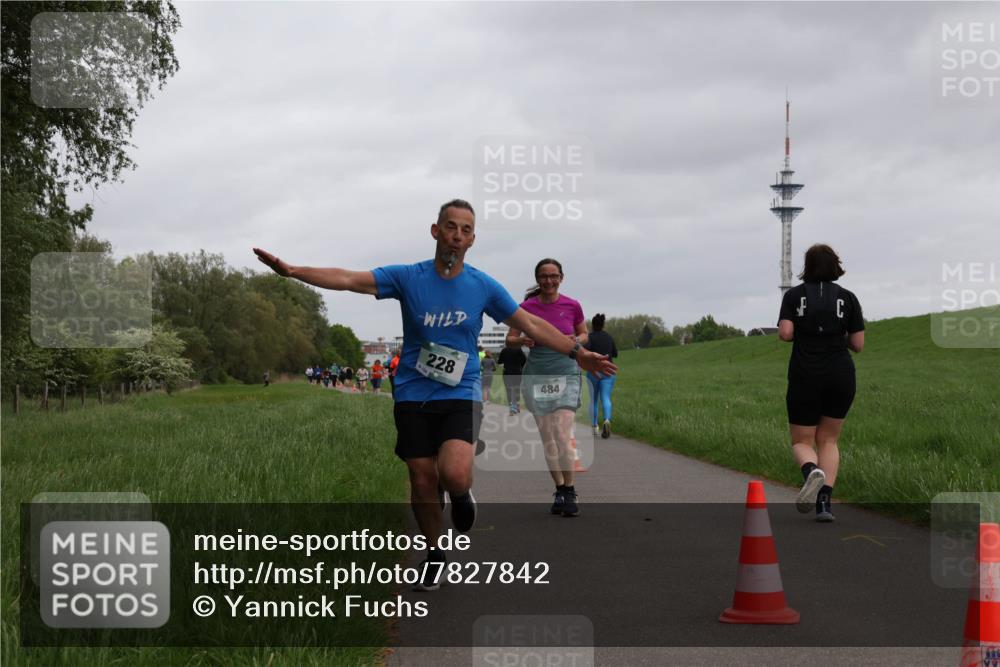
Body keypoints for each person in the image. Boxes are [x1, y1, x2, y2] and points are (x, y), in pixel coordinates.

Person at [253, 199, 615, 590]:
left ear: (472, 239)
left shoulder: (482, 286)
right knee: (422, 478)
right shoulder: (409, 277)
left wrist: (579, 353)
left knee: (454, 473)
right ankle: (434, 552)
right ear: (436, 231)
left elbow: (529, 324)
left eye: (465, 230)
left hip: (460, 389)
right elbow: (348, 279)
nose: (457, 236)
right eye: (450, 227)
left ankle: (461, 495)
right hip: (412, 391)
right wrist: (292, 272)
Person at [778, 244, 865, 523]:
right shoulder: (848, 298)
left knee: (802, 440)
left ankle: (810, 472)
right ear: (834, 265)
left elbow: (785, 333)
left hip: (806, 372)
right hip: (840, 373)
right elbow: (858, 344)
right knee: (828, 439)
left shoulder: (794, 295)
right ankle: (824, 504)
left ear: (808, 266)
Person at [506, 258, 589, 518]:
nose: (548, 281)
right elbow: (509, 340)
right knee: (548, 436)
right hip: (538, 376)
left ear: (561, 278)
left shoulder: (572, 305)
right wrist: (522, 339)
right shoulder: (525, 308)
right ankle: (560, 489)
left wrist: (576, 339)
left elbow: (584, 334)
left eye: (553, 276)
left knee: (563, 433)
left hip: (566, 372)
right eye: (543, 276)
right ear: (537, 279)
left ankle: (571, 490)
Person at [584, 313, 618, 439]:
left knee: (593, 399)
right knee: (606, 397)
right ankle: (607, 420)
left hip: (593, 371)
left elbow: (585, 353)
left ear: (592, 325)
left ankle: (594, 426)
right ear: (603, 324)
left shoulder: (589, 337)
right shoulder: (609, 337)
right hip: (608, 370)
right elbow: (615, 353)